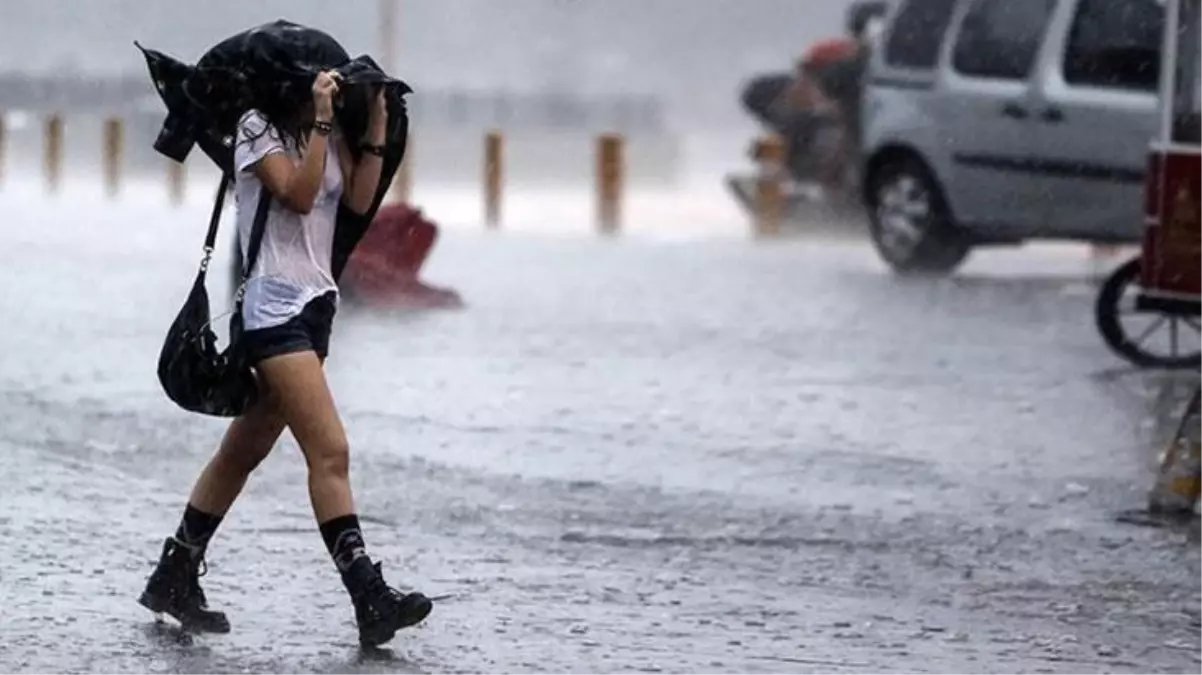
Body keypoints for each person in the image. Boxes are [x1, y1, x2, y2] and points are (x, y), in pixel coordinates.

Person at [137, 70, 433, 647]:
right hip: (274, 309)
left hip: (315, 306)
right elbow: (296, 194)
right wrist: (321, 120)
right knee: (330, 451)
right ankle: (368, 595)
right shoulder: (256, 129)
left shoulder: (325, 134)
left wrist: (373, 119)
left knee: (242, 451)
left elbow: (359, 198)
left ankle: (174, 571)